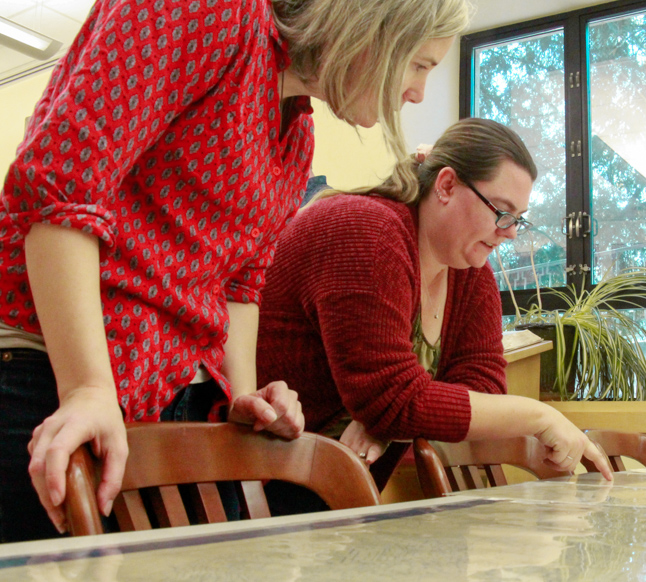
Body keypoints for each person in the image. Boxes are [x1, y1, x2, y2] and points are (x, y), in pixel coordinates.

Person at [0, 0, 471, 542]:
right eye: (420, 65)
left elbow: (241, 283)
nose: (416, 93)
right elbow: (62, 186)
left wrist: (244, 395)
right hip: (57, 371)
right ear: (372, 27)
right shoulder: (212, 12)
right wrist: (86, 387)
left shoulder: (296, 139)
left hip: (177, 395)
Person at [256, 118, 613, 512]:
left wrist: (392, 420)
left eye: (518, 219)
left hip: (331, 491)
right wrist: (538, 415)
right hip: (249, 486)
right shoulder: (368, 230)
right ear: (446, 185)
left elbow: (482, 388)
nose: (509, 233)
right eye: (502, 211)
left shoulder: (469, 271)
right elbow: (394, 399)